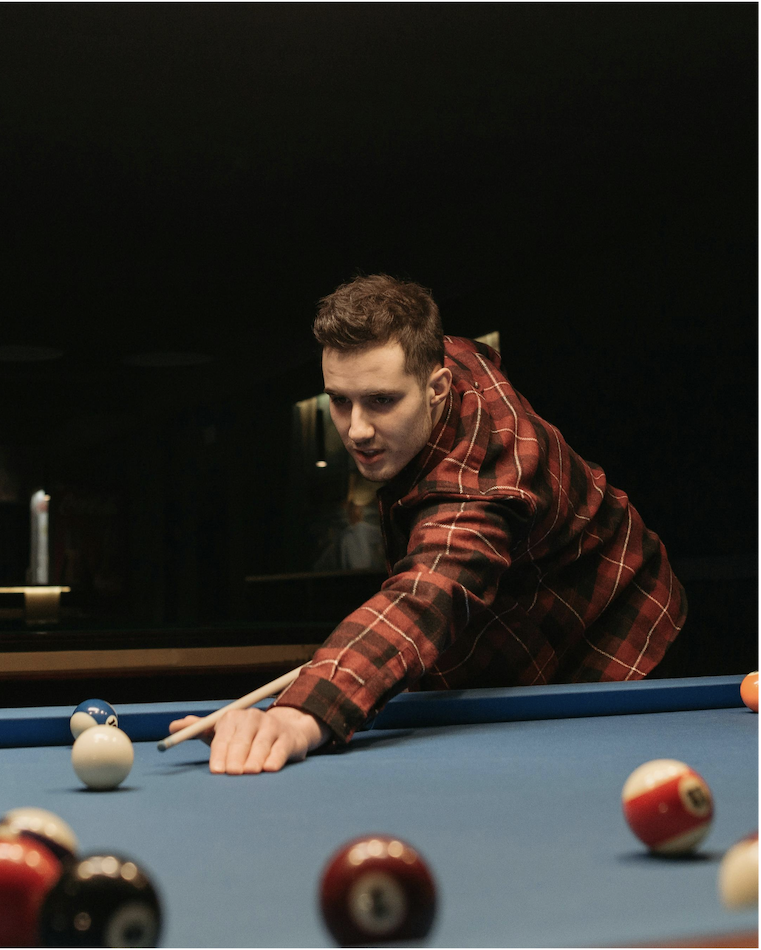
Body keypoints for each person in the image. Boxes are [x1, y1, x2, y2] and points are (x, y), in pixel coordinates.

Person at [169, 274, 687, 774]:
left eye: (381, 401)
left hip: (611, 625)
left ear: (437, 388)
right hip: (514, 615)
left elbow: (426, 593)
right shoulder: (436, 356)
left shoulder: (480, 482)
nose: (356, 429)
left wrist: (301, 713)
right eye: (339, 400)